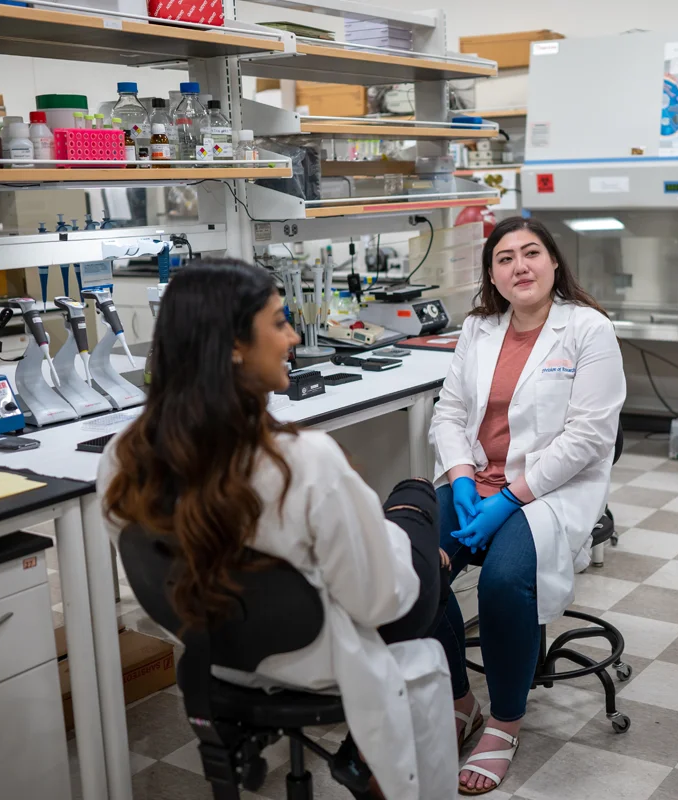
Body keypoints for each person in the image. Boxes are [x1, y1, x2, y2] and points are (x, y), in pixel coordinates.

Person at [97, 259, 457, 800]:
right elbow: (383, 602)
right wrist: (396, 544)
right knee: (417, 506)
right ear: (233, 346)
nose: (292, 337)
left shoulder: (121, 459)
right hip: (316, 657)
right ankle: (411, 510)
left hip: (221, 653)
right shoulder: (301, 462)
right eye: (279, 321)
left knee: (384, 531)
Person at [430, 217, 626, 794]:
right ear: (492, 275)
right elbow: (449, 411)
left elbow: (589, 437)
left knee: (502, 581)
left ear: (554, 262)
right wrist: (461, 479)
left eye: (531, 253)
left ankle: (504, 723)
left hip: (549, 491)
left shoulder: (588, 329)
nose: (520, 266)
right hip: (476, 483)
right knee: (412, 566)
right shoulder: (479, 328)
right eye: (504, 258)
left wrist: (509, 498)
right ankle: (460, 701)